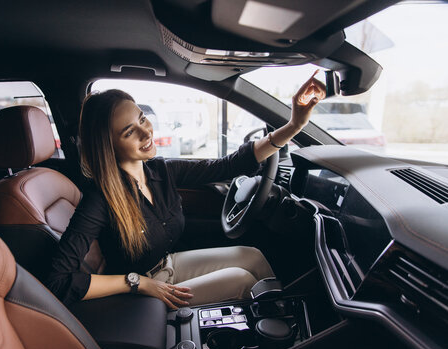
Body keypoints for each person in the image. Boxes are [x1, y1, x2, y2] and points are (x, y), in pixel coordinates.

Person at [46, 72, 326, 309]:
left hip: (167, 265)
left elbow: (229, 166)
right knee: (241, 280)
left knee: (252, 256)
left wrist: (294, 125)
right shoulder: (100, 198)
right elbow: (57, 280)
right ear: (109, 146)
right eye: (129, 132)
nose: (146, 133)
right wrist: (137, 283)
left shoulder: (160, 170)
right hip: (141, 294)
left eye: (142, 119)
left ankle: (282, 322)